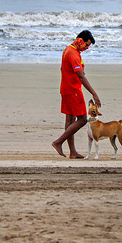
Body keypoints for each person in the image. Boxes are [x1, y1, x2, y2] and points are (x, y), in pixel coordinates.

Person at [52, 30, 102, 158]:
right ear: (80, 40)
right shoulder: (73, 54)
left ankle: (72, 152)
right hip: (73, 91)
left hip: (65, 89)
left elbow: (63, 69)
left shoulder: (68, 50)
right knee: (82, 119)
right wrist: (94, 93)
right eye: (87, 45)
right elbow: (81, 76)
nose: (86, 48)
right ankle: (58, 142)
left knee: (70, 120)